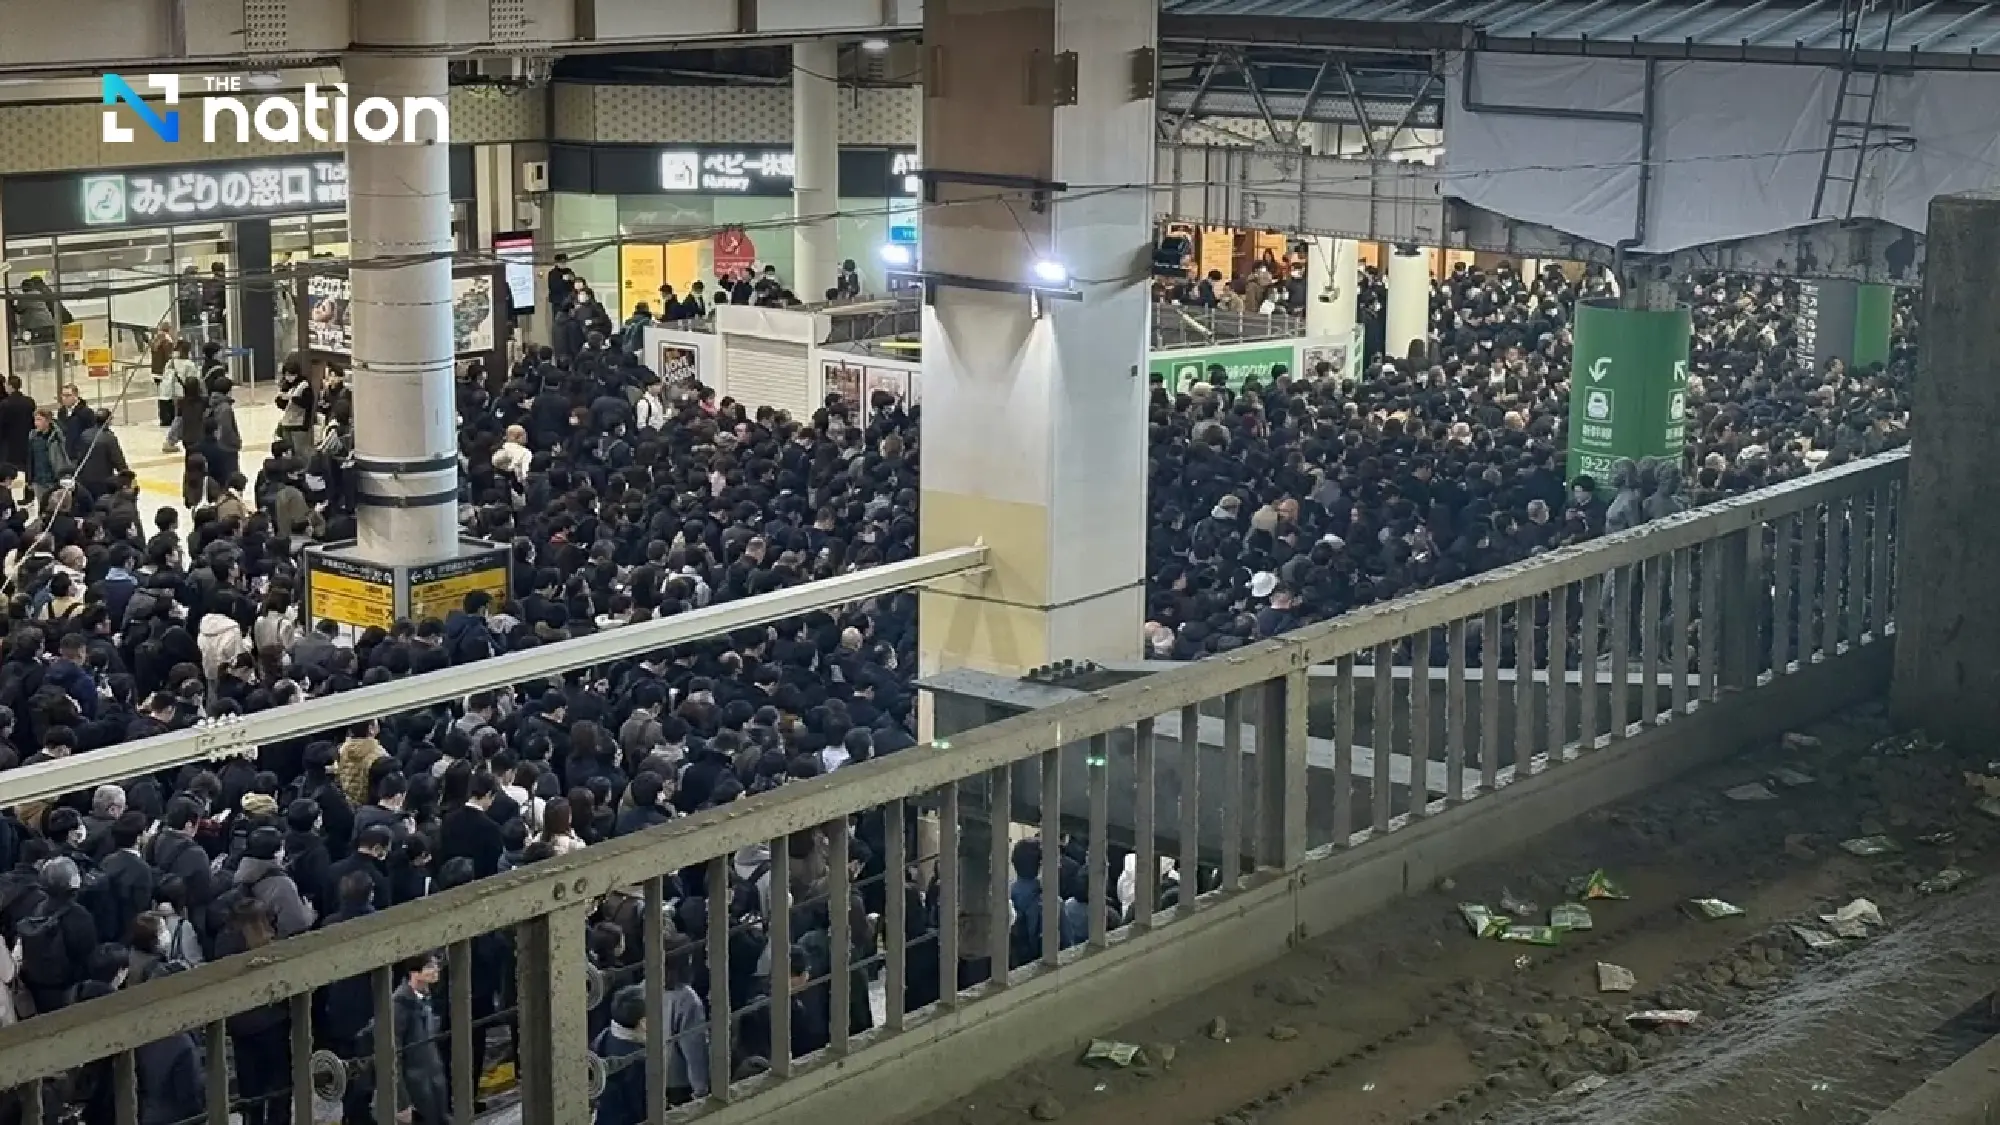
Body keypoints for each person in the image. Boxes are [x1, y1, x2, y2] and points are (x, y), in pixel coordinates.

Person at [25, 407, 70, 513]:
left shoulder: (57, 436)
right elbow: (30, 458)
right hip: (38, 480)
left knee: (55, 507)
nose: (36, 423)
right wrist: (29, 479)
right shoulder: (33, 436)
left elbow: (63, 457)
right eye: (35, 420)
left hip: (53, 479)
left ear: (48, 420)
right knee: (42, 508)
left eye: (39, 420)